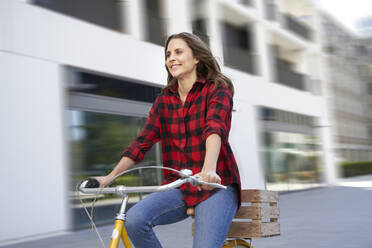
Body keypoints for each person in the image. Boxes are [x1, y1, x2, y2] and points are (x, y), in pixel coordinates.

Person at [95, 32, 241, 248]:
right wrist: (109, 178)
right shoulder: (165, 99)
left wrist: (208, 170)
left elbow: (214, 128)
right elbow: (142, 143)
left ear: (197, 57)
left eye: (179, 52)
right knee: (134, 220)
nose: (171, 58)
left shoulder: (216, 89)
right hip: (180, 186)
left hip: (216, 186)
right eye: (168, 54)